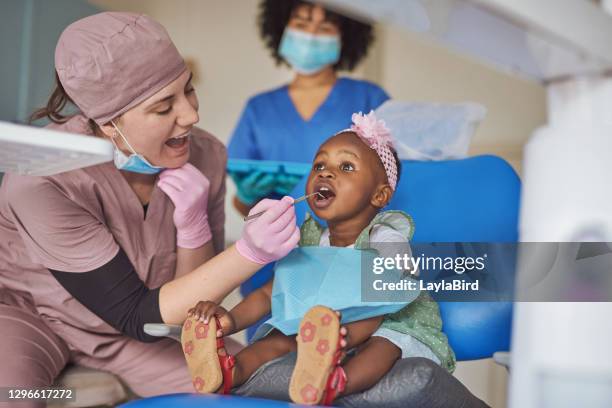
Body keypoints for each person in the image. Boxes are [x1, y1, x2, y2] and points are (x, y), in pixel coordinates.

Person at [0, 12, 299, 406]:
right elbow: (137, 314)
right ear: (108, 123)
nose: (191, 115)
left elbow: (182, 310)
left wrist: (193, 229)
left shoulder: (206, 155)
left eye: (188, 90)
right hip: (30, 317)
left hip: (132, 335)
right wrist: (251, 253)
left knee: (257, 387)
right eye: (163, 107)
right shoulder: (42, 178)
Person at [182, 112, 455, 405]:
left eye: (346, 166)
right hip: (324, 333)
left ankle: (336, 382)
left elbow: (380, 303)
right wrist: (229, 321)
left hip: (388, 322)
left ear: (379, 195)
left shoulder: (387, 239)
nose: (325, 173)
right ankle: (228, 373)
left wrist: (340, 338)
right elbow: (269, 292)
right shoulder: (310, 240)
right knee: (277, 338)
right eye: (319, 165)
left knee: (385, 346)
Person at [228, 0, 390, 215]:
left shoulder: (371, 99)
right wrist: (246, 195)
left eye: (324, 28)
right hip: (279, 244)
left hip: (350, 243)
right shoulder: (258, 108)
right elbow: (244, 207)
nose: (311, 35)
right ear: (282, 29)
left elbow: (394, 184)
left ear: (346, 38)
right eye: (301, 25)